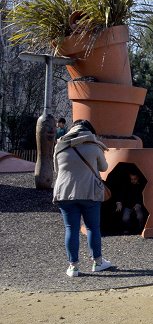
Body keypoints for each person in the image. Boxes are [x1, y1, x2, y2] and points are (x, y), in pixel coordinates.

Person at [53, 119, 113, 277]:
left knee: (71, 229)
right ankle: (98, 263)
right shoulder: (94, 146)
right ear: (89, 131)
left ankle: (73, 267)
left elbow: (57, 170)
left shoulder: (60, 146)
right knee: (93, 227)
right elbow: (104, 167)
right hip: (89, 192)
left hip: (65, 193)